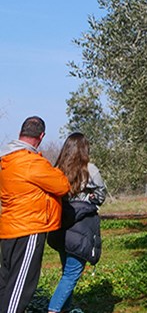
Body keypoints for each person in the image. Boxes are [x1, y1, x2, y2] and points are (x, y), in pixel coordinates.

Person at [0, 117, 71, 313]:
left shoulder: (7, 159)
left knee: (6, 282)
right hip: (29, 228)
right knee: (21, 287)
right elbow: (62, 185)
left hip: (9, 229)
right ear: (41, 136)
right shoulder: (31, 162)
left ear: (21, 132)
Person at [47, 133, 107, 313]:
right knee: (72, 274)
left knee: (67, 272)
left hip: (60, 227)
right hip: (81, 228)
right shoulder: (90, 169)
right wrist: (89, 197)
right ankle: (53, 310)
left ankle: (64, 310)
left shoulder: (56, 169)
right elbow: (101, 195)